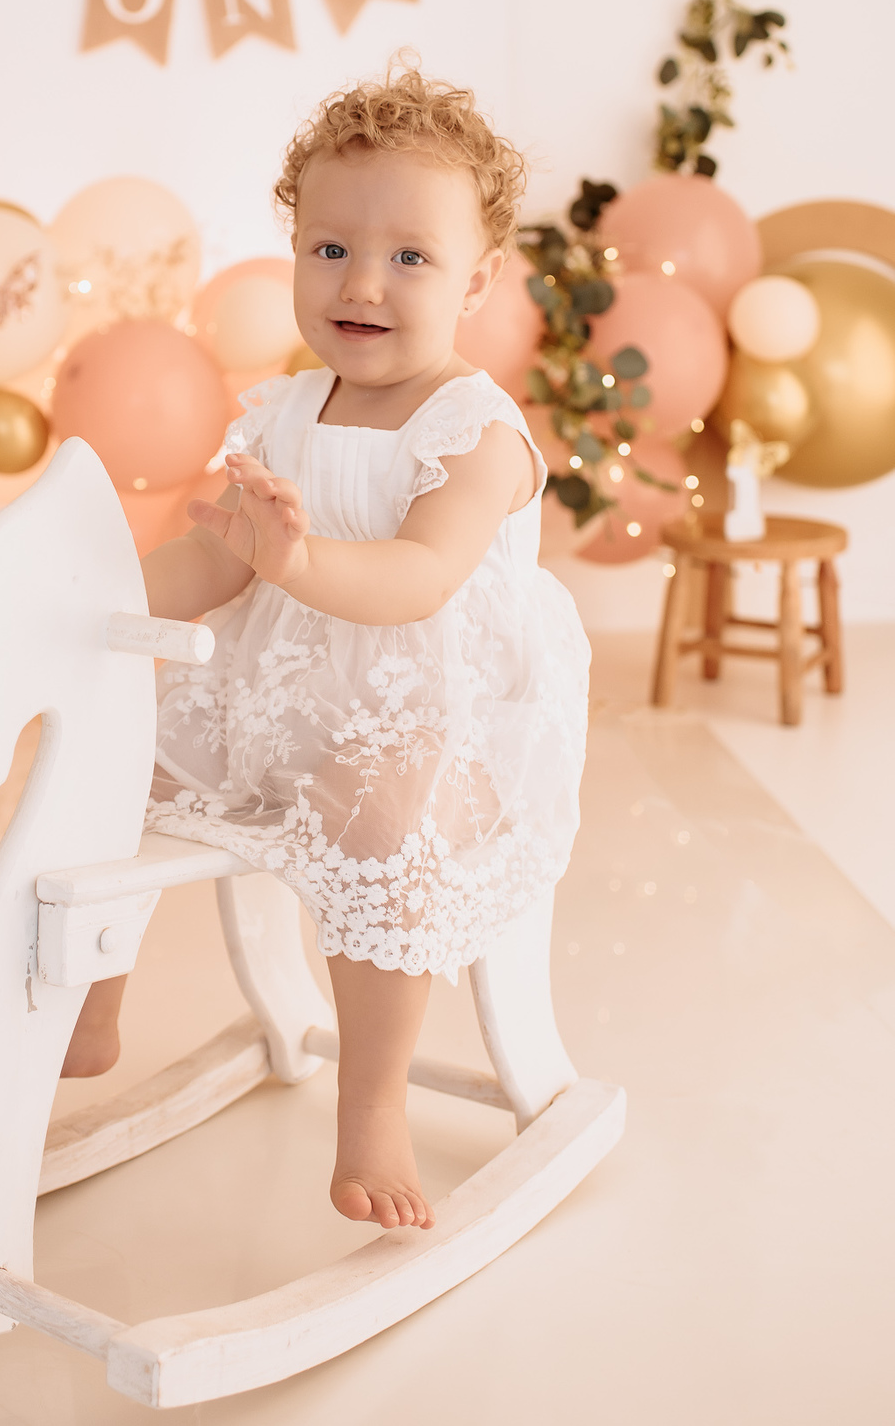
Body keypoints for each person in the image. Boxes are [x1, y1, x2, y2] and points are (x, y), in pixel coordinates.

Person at [63, 63, 590, 1233]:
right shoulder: (287, 410)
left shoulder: (475, 431)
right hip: (283, 691)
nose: (362, 282)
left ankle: (373, 1100)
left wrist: (293, 563)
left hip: (439, 717)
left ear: (476, 279)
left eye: (410, 256)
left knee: (381, 816)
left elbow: (419, 577)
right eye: (331, 248)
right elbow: (217, 558)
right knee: (124, 752)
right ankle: (93, 1000)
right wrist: (97, 603)